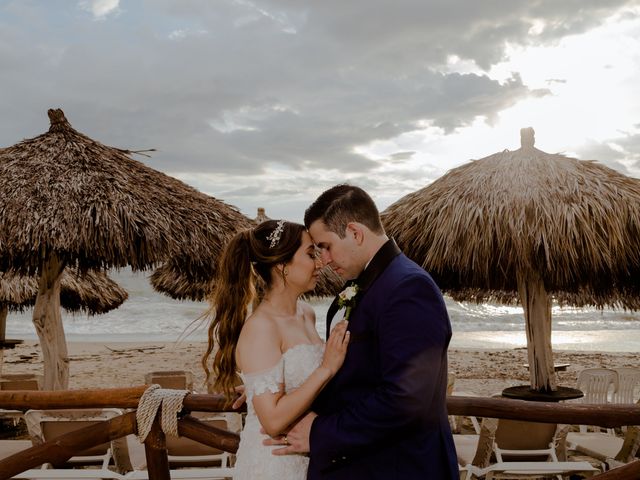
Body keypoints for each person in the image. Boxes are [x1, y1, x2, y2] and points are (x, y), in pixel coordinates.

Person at [268, 184, 459, 479]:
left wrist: (321, 433)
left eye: (326, 246)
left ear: (355, 233)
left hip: (399, 467)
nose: (325, 260)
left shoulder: (409, 288)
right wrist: (274, 386)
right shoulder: (364, 285)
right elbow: (355, 377)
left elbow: (406, 398)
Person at [202, 219, 350, 480]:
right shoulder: (261, 327)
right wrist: (326, 368)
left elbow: (292, 379)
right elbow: (272, 422)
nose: (319, 263)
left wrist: (259, 386)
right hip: (274, 464)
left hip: (308, 455)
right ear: (282, 265)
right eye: (309, 254)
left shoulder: (306, 313)